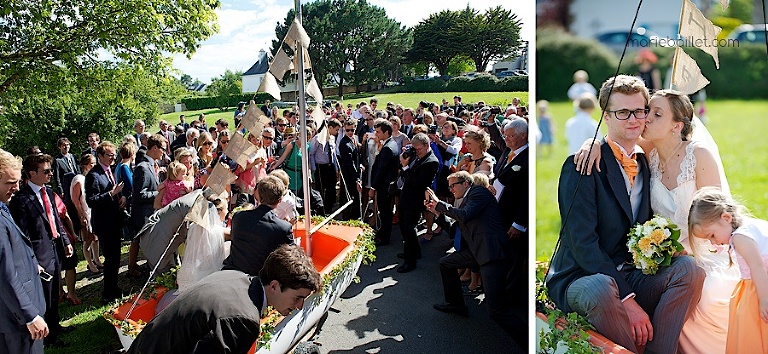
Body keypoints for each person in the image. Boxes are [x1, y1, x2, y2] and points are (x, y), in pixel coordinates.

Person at [547, 75, 705, 353]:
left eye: (640, 111)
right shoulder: (581, 165)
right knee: (601, 287)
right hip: (582, 277)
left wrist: (667, 249)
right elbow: (582, 243)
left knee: (689, 270)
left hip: (631, 272)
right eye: (622, 112)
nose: (633, 119)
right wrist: (628, 299)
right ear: (605, 117)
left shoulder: (645, 162)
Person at [574, 89, 739, 353]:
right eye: (647, 110)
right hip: (657, 253)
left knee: (709, 290)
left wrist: (683, 245)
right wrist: (590, 143)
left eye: (656, 114)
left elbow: (715, 217)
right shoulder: (647, 152)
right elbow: (614, 138)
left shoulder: (699, 155)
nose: (645, 119)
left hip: (703, 246)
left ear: (677, 125)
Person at [127, 244, 322, 354]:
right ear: (274, 286)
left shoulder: (234, 276)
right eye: (297, 298)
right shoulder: (244, 320)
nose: (299, 306)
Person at [424, 171, 522, 347]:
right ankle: (456, 305)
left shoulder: (479, 193)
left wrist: (440, 205)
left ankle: (528, 340)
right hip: (477, 252)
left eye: (453, 185)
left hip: (492, 253)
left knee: (496, 310)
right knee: (446, 263)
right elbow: (454, 230)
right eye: (449, 187)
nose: (451, 189)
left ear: (466, 183)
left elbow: (464, 216)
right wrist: (437, 213)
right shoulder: (466, 202)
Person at [688, 188, 768, 353]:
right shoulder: (752, 226)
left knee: (753, 337)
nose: (713, 243)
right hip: (756, 287)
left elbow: (757, 267)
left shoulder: (740, 237)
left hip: (756, 291)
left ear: (726, 218)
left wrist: (764, 299)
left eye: (712, 235)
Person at [9, 154, 74, 348]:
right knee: (44, 295)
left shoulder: (49, 192)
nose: (50, 174)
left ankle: (55, 325)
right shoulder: (21, 199)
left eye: (50, 170)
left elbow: (55, 218)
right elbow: (23, 233)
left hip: (53, 248)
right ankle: (48, 337)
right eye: (45, 171)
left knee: (55, 291)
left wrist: (65, 241)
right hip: (39, 253)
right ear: (31, 174)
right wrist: (32, 260)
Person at [0, 149, 48, 354]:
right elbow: (5, 273)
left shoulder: (3, 206)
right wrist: (30, 315)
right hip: (18, 322)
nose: (17, 188)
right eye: (10, 183)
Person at [222, 176, 295, 275]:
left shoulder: (239, 217)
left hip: (234, 270)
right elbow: (291, 258)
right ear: (280, 200)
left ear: (258, 195)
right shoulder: (283, 228)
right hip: (260, 278)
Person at [85, 141, 127, 302]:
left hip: (114, 220)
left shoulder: (109, 171)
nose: (113, 158)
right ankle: (108, 293)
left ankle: (114, 287)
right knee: (110, 258)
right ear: (100, 155)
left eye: (114, 155)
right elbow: (91, 200)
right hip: (104, 224)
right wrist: (111, 194)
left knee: (116, 257)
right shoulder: (93, 175)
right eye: (109, 155)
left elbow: (113, 191)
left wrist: (120, 197)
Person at [396, 133, 439, 273]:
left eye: (418, 149)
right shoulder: (416, 154)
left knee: (409, 228)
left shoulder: (432, 161)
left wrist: (405, 167)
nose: (416, 151)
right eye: (414, 149)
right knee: (404, 226)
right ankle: (414, 251)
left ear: (427, 146)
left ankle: (410, 261)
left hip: (415, 200)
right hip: (406, 196)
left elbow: (417, 182)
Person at [70, 154, 103, 275]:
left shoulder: (92, 177)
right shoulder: (79, 179)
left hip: (92, 211)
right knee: (87, 239)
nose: (94, 166)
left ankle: (97, 259)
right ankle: (90, 263)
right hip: (84, 213)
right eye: (91, 163)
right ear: (85, 165)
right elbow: (75, 199)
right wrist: (81, 215)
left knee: (96, 237)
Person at [369, 119, 400, 246]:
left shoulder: (388, 148)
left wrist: (373, 187)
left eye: (378, 132)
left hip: (384, 186)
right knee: (385, 212)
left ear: (386, 132)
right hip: (386, 185)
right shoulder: (390, 144)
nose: (376, 134)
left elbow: (381, 170)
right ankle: (383, 234)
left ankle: (384, 238)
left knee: (385, 212)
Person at [309, 119, 340, 216]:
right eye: (336, 129)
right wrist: (314, 168)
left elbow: (333, 154)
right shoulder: (317, 138)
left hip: (330, 166)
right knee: (321, 189)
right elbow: (311, 153)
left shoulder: (332, 138)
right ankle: (320, 211)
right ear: (329, 128)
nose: (337, 132)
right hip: (320, 167)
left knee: (331, 189)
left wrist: (336, 169)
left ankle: (329, 209)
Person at [338, 119, 362, 221]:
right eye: (348, 130)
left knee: (355, 199)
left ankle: (354, 218)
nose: (350, 132)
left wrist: (359, 164)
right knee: (349, 199)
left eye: (352, 130)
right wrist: (356, 179)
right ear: (344, 129)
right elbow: (349, 164)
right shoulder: (344, 143)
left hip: (355, 172)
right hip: (349, 176)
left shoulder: (354, 139)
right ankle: (348, 220)